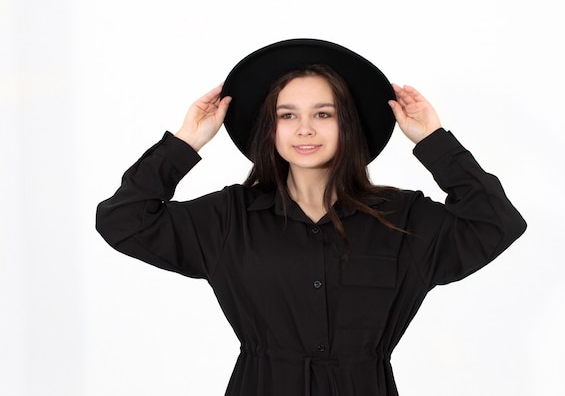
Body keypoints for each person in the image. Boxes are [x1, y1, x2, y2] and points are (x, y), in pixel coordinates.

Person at [96, 39, 526, 396]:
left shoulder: (403, 219)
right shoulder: (229, 218)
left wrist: (433, 141)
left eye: (324, 114)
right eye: (288, 116)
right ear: (272, 129)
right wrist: (185, 142)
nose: (305, 129)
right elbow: (123, 220)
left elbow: (496, 223)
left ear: (348, 125)